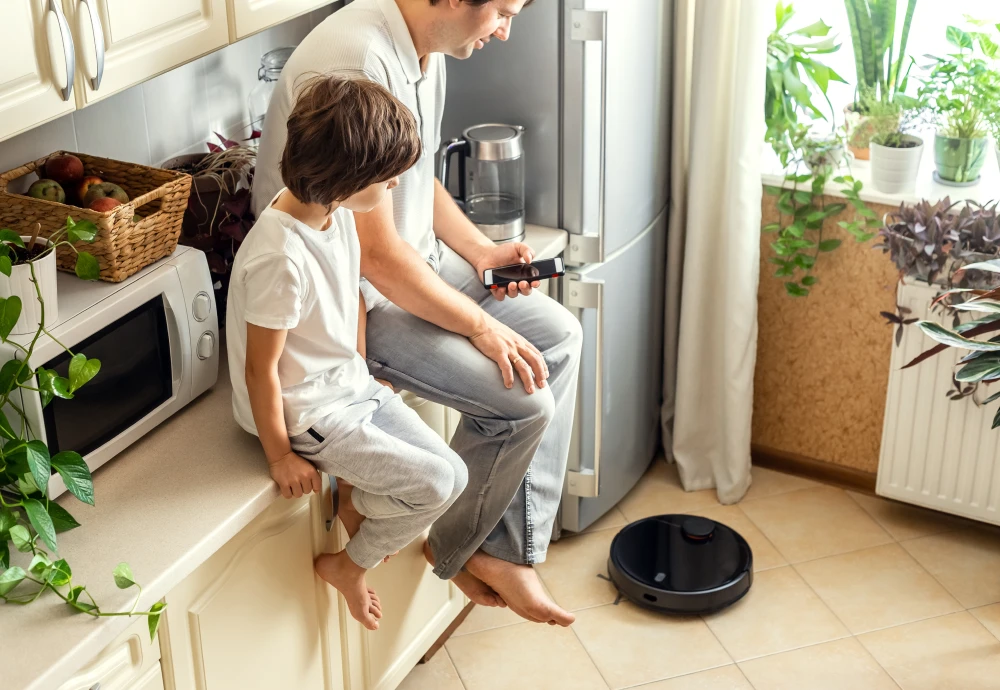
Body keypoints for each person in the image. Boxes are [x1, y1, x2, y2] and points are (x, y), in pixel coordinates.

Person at [253, 0, 582, 627]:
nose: (505, 32)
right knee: (523, 404)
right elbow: (374, 257)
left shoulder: (427, 49)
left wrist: (479, 252)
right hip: (353, 301)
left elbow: (416, 177)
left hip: (415, 266)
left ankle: (495, 547)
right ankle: (465, 547)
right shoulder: (359, 58)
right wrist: (482, 326)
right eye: (503, 12)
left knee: (561, 336)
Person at [228, 76, 469, 631]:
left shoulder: (334, 216)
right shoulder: (280, 258)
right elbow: (261, 370)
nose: (394, 186)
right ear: (345, 179)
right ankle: (347, 566)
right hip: (307, 415)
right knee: (433, 485)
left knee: (454, 476)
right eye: (385, 179)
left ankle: (356, 503)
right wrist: (280, 458)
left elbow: (352, 297)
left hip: (347, 388)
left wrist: (360, 370)